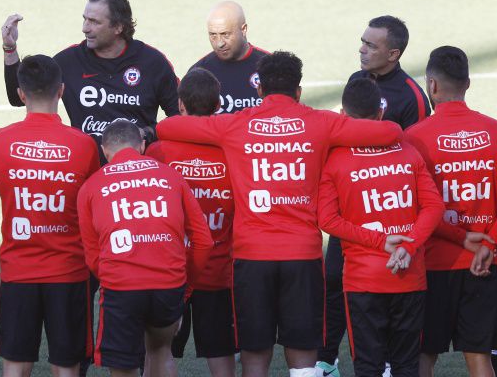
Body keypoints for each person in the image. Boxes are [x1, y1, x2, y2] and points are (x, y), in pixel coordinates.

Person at [155, 51, 403, 377]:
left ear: (259, 90)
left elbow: (168, 127)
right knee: (302, 357)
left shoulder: (234, 124)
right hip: (302, 255)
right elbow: (390, 132)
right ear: (298, 91)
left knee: (255, 356)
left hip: (251, 257)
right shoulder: (322, 122)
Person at [319, 16, 434, 373]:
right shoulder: (358, 81)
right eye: (363, 42)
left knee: (380, 310)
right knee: (334, 281)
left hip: (393, 224)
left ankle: (377, 363)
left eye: (371, 46)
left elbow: (411, 154)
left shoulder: (412, 97)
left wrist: (407, 242)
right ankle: (327, 357)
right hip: (354, 212)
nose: (362, 50)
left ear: (394, 53)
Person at [0, 55, 99, 377]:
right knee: (67, 364)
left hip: (18, 271)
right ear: (61, 91)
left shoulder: (0, 140)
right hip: (68, 271)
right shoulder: (83, 145)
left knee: (16, 363)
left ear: (21, 94)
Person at [77, 120, 213, 377]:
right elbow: (203, 241)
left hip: (122, 288)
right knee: (161, 353)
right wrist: (185, 288)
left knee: (124, 366)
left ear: (105, 151)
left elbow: (92, 256)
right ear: (141, 146)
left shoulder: (91, 187)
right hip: (168, 285)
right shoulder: (171, 176)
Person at [404, 46, 497, 377]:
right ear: (469, 83)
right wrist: (488, 243)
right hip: (485, 264)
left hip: (432, 264)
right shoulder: (496, 133)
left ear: (432, 85)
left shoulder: (413, 138)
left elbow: (419, 210)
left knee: (423, 356)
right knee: (479, 356)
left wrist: (464, 239)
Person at [1, 0, 179, 162]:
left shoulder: (153, 62)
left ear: (118, 27)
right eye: (85, 19)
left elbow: (180, 116)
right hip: (86, 172)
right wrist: (10, 48)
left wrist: (148, 133)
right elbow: (18, 97)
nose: (85, 28)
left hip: (136, 174)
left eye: (94, 22)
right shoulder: (68, 61)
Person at [145, 68, 236, 377]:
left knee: (157, 351)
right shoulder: (231, 153)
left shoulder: (158, 151)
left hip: (169, 270)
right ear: (217, 106)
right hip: (218, 269)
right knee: (221, 353)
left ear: (180, 105)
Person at [190, 1, 268, 114]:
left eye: (225, 34)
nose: (219, 43)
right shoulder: (199, 71)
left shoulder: (271, 67)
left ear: (244, 29)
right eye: (213, 35)